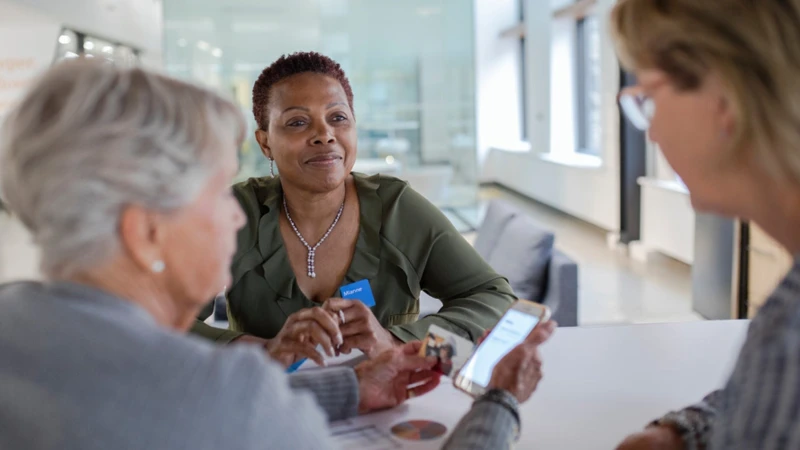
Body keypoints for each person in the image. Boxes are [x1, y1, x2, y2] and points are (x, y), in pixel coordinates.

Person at [0, 59, 556, 449]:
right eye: (214, 196)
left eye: (337, 118)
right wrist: (500, 401)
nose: (236, 216)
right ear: (145, 232)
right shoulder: (232, 398)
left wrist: (350, 385)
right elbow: (225, 402)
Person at [191, 51, 518, 366]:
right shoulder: (238, 214)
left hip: (385, 410)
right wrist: (255, 353)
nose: (324, 134)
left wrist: (402, 344)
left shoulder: (397, 210)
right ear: (265, 143)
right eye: (297, 122)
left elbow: (497, 301)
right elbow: (152, 317)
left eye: (337, 117)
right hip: (264, 408)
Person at [610, 1, 800, 449]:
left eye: (650, 98)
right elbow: (762, 398)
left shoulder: (787, 340)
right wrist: (683, 434)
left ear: (725, 98)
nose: (652, 134)